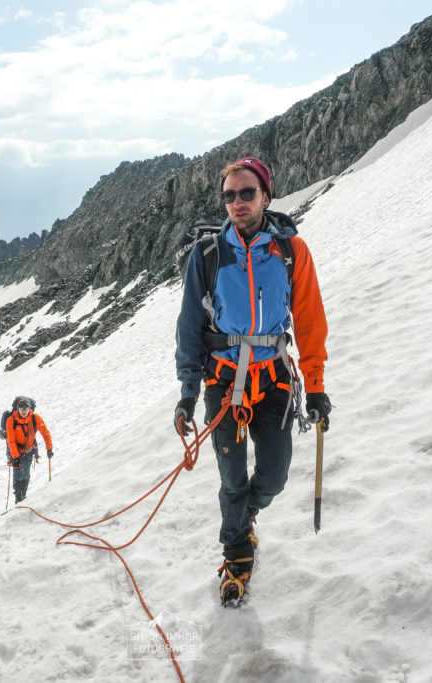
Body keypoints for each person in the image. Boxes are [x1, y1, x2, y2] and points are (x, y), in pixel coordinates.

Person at [173, 156, 331, 607]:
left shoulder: (291, 251)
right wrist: (188, 392)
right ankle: (237, 555)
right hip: (224, 380)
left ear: (266, 195)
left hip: (275, 376)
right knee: (231, 477)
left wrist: (315, 385)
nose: (237, 203)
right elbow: (188, 327)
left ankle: (246, 515)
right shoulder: (206, 255)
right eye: (229, 195)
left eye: (246, 193)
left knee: (275, 473)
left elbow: (309, 319)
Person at [4, 396, 54, 503]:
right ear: (17, 409)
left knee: (25, 474)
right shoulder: (10, 421)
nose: (23, 411)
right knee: (17, 475)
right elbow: (11, 441)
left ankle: (23, 495)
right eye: (21, 409)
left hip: (29, 451)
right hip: (15, 452)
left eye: (26, 409)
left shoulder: (35, 418)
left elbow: (45, 433)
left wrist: (49, 448)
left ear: (29, 409)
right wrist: (15, 457)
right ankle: (18, 499)